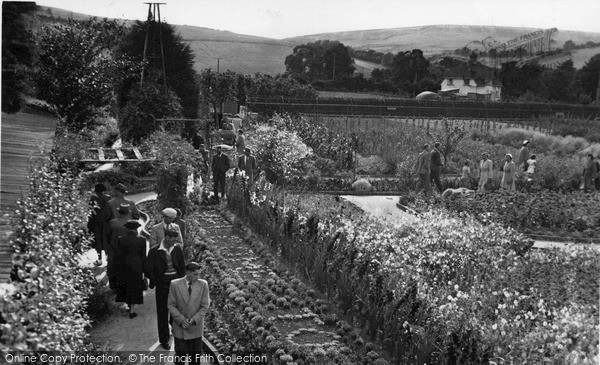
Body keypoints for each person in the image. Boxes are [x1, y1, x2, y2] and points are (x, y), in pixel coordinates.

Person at [145, 229, 186, 350]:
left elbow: (182, 266)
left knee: (176, 310)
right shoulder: (154, 251)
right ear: (166, 238)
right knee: (162, 312)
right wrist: (157, 280)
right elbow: (148, 269)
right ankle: (164, 339)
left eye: (176, 240)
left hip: (176, 284)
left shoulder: (177, 249)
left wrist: (181, 281)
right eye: (173, 240)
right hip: (162, 284)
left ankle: (175, 331)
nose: (175, 242)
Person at [168, 262, 210, 365]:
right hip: (180, 327)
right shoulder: (175, 284)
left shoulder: (203, 284)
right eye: (195, 274)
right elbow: (171, 305)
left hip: (195, 327)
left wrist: (194, 319)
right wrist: (181, 320)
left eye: (199, 274)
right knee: (180, 357)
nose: (197, 277)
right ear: (187, 272)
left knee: (195, 359)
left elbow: (205, 305)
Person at [115, 220, 147, 319]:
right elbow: (143, 256)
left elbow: (118, 255)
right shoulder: (142, 239)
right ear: (136, 229)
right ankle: (132, 310)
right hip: (137, 265)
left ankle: (128, 305)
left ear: (127, 228)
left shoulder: (121, 239)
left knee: (126, 285)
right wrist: (145, 271)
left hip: (124, 265)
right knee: (135, 286)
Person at [106, 203, 132, 291]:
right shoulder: (131, 224)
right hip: (127, 250)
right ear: (128, 213)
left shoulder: (112, 222)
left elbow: (108, 236)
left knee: (112, 268)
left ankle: (114, 287)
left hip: (114, 249)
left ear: (119, 212)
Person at [87, 183, 110, 265]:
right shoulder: (107, 198)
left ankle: (99, 259)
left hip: (96, 222)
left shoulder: (93, 198)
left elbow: (90, 211)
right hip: (106, 222)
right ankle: (108, 258)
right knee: (106, 240)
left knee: (98, 241)